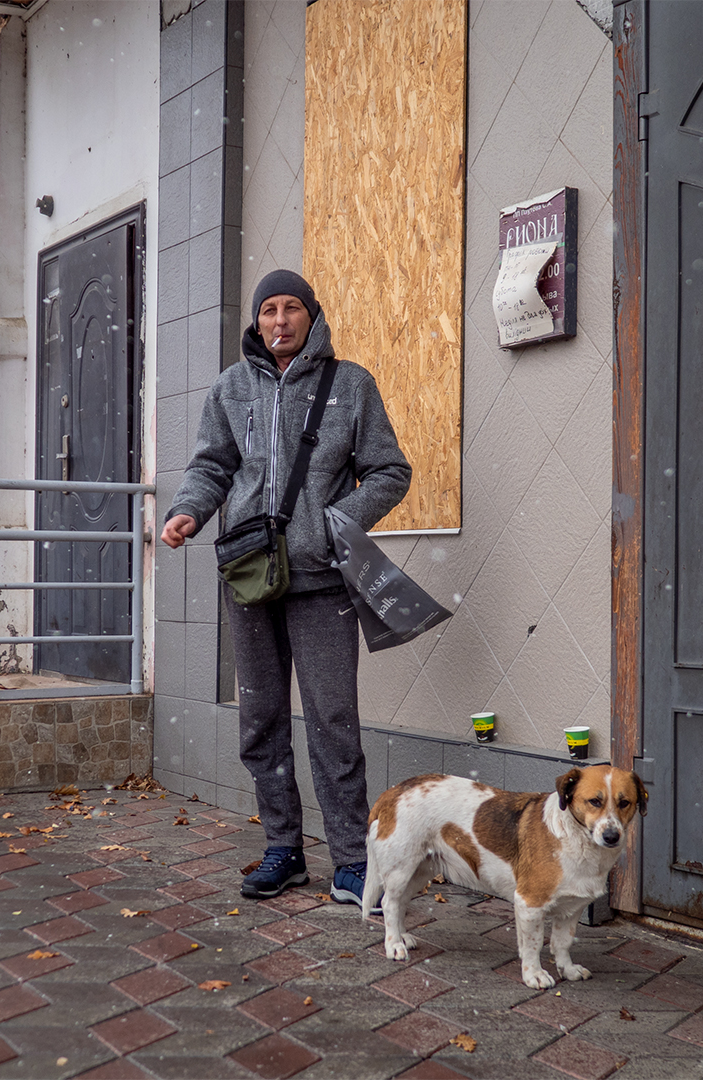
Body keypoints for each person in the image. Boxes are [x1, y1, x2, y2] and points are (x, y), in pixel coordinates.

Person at [161, 269, 411, 907]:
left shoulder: (350, 386)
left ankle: (354, 862)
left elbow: (389, 470)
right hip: (249, 576)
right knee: (260, 718)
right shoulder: (231, 387)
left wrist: (338, 523)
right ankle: (283, 849)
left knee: (332, 721)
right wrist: (189, 511)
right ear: (256, 319)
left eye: (291, 309)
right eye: (268, 310)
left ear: (311, 315)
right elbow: (211, 465)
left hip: (322, 581)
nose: (279, 320)